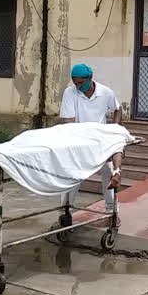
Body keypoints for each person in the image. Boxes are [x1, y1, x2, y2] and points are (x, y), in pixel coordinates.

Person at [59, 64, 124, 220]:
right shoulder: (70, 93)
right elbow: (68, 121)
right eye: (75, 84)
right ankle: (65, 212)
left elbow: (118, 108)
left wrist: (115, 127)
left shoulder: (105, 93)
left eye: (81, 83)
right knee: (73, 176)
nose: (78, 87)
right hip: (79, 141)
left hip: (100, 141)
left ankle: (111, 209)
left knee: (109, 171)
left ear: (90, 78)